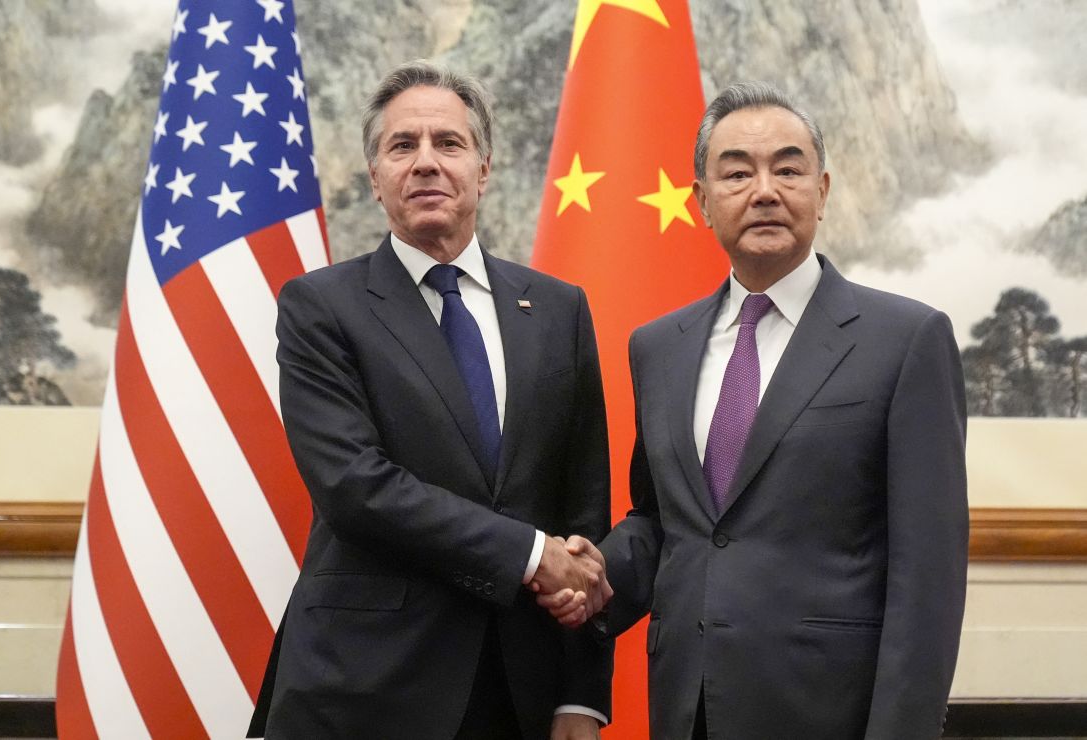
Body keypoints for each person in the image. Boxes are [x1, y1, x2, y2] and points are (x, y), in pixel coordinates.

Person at [542, 81, 969, 739]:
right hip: (689, 707)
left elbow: (928, 576)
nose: (764, 190)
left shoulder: (905, 341)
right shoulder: (659, 347)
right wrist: (593, 572)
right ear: (703, 203)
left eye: (788, 169)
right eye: (737, 172)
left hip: (831, 713)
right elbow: (667, 521)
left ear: (822, 192)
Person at [250, 60, 614, 740]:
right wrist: (532, 555)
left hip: (521, 693)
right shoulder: (321, 307)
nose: (425, 163)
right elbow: (354, 486)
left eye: (447, 144)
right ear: (375, 177)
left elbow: (583, 508)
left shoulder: (559, 310)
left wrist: (581, 693)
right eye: (401, 146)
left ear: (484, 168)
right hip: (364, 691)